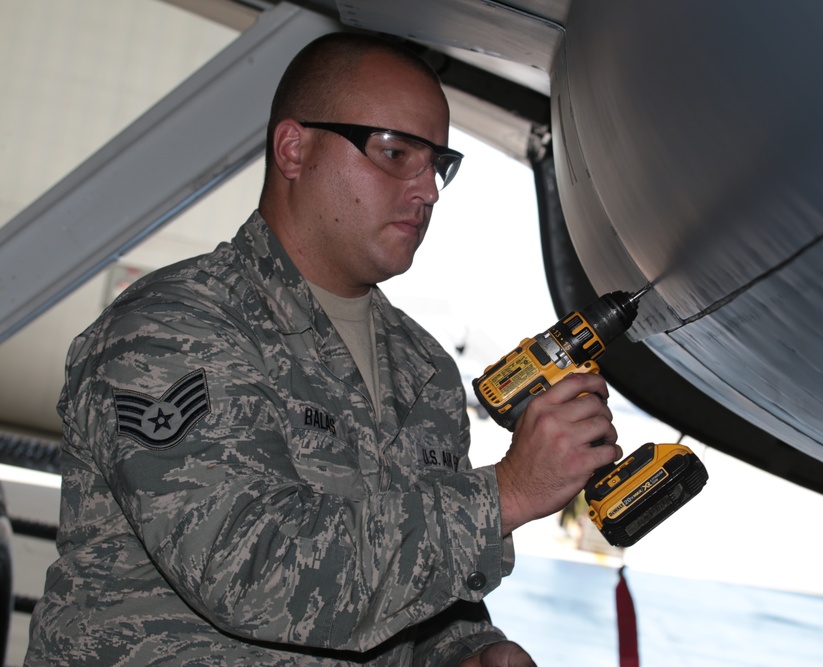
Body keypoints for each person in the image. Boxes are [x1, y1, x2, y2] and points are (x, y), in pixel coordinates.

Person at [24, 32, 621, 666]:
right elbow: (248, 571)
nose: (428, 190)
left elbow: (406, 591)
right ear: (294, 149)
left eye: (437, 163)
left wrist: (466, 651)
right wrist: (506, 494)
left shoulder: (424, 371)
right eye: (395, 152)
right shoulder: (173, 327)